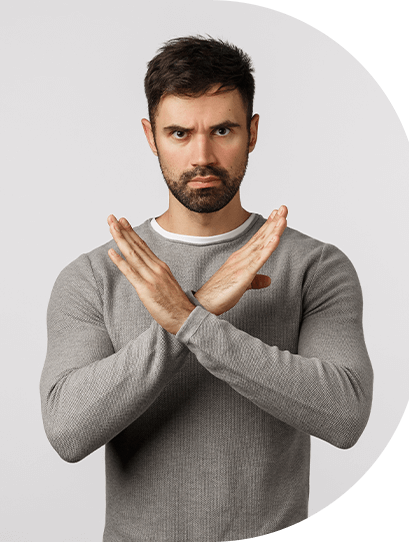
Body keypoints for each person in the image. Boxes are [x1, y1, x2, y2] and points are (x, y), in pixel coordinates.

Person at [40, 36, 374, 541]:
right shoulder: (95, 275)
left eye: (222, 130)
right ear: (151, 136)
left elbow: (345, 416)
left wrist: (188, 319)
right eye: (179, 133)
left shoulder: (315, 267)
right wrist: (199, 311)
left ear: (252, 132)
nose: (202, 155)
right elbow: (67, 431)